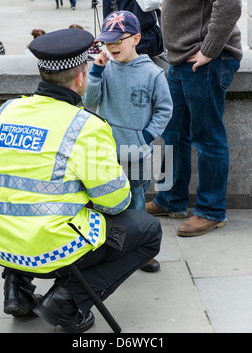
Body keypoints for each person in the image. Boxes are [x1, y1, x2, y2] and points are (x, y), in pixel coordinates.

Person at [0, 28, 162, 333]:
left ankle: (18, 290)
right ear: (80, 78)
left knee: (22, 200)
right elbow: (115, 201)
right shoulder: (85, 126)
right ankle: (67, 299)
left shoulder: (7, 110)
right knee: (149, 230)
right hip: (47, 248)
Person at [82, 11, 172, 272]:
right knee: (103, 198)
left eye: (118, 40)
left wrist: (145, 136)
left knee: (136, 199)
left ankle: (142, 250)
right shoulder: (104, 68)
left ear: (136, 39)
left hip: (137, 151)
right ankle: (109, 246)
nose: (112, 46)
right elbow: (89, 102)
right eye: (108, 41)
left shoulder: (153, 74)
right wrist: (96, 71)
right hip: (107, 151)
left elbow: (164, 109)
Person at [146, 0, 243, 237]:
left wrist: (209, 50)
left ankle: (211, 211)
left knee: (207, 137)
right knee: (172, 134)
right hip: (181, 58)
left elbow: (230, 5)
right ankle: (170, 199)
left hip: (205, 59)